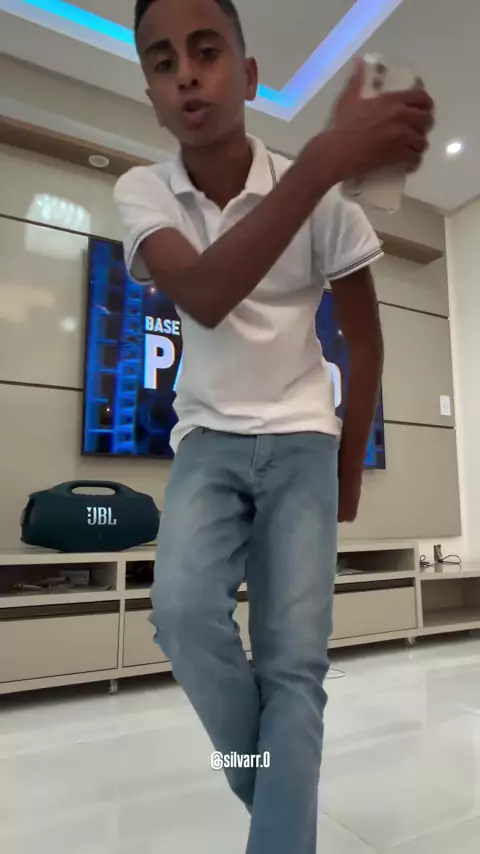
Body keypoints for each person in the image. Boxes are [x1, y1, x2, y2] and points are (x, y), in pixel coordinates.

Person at [114, 2, 434, 851]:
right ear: (150, 94)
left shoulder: (330, 205)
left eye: (207, 51)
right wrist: (324, 160)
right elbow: (206, 295)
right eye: (162, 61)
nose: (186, 72)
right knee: (183, 617)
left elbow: (366, 341)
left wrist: (350, 470)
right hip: (206, 442)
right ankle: (281, 810)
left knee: (295, 664)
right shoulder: (144, 190)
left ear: (250, 76)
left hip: (304, 443)